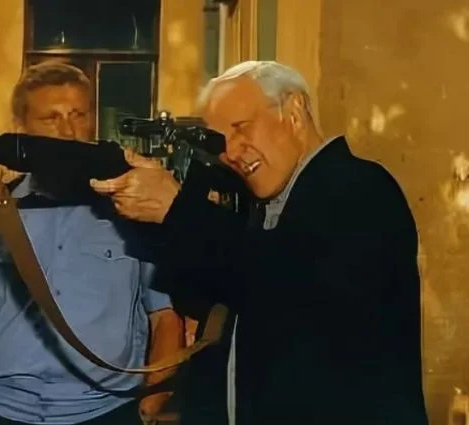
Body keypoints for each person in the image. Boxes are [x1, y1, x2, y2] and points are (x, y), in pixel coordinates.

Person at [90, 60, 428, 425]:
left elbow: (288, 285)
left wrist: (178, 208)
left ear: (294, 111)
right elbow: (205, 296)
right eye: (221, 141)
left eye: (241, 127)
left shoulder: (359, 188)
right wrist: (160, 212)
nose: (231, 153)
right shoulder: (265, 206)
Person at [0, 61, 184, 425]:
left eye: (78, 115)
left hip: (106, 410)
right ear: (20, 128)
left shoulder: (134, 211)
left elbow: (166, 319)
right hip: (3, 410)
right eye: (51, 118)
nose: (68, 131)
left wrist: (148, 407)